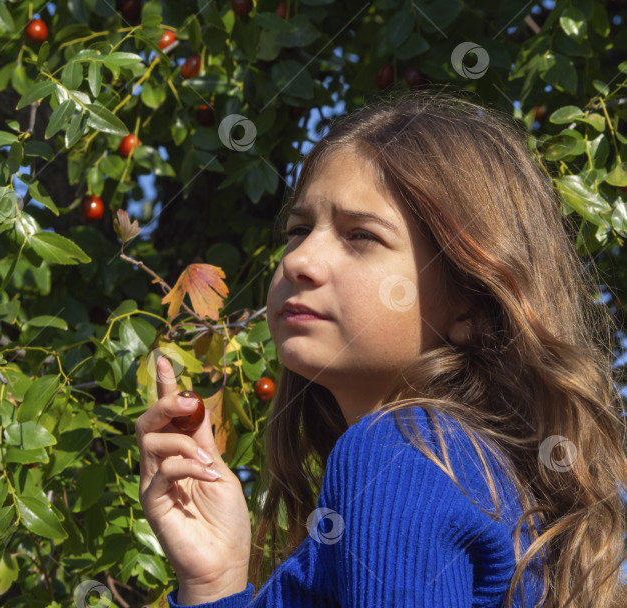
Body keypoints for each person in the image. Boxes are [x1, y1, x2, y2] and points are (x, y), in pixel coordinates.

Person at [134, 92, 627, 608]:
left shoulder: (396, 455)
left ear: (469, 306)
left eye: (360, 236)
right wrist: (215, 581)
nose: (300, 260)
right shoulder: (476, 476)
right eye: (299, 230)